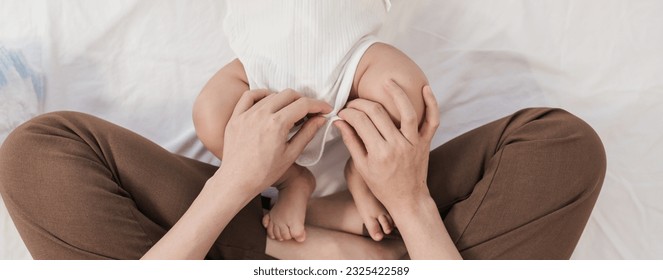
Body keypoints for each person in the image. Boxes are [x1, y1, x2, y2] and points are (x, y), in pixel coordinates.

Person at [0, 79, 606, 259]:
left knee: (36, 154)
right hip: (418, 245)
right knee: (561, 147)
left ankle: (288, 227)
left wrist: (235, 183)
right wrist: (409, 202)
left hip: (216, 244)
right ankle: (364, 239)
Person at [194, 0, 424, 242]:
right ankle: (291, 179)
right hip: (258, 71)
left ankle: (362, 173)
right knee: (211, 115)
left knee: (404, 94)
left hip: (353, 61)